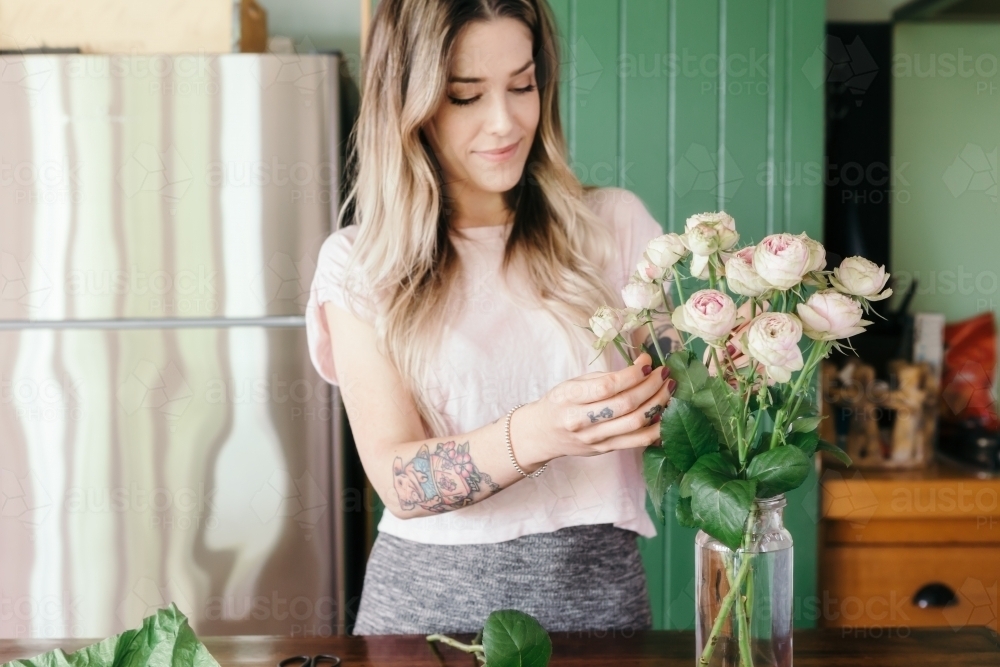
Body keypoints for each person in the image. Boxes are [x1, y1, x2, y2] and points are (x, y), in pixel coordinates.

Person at [305, 0, 679, 636]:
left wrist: (684, 394)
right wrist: (541, 431)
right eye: (465, 96)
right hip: (425, 620)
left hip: (599, 602)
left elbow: (688, 402)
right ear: (410, 105)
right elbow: (400, 481)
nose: (505, 121)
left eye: (523, 85)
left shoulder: (612, 227)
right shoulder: (359, 265)